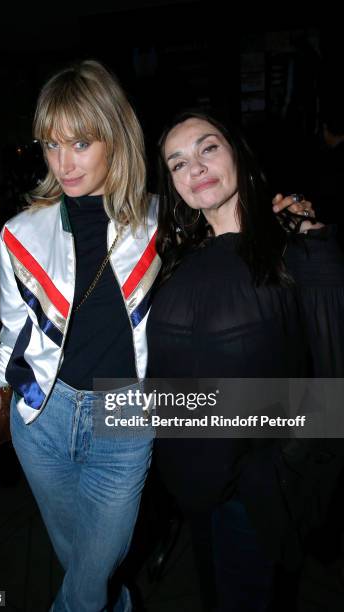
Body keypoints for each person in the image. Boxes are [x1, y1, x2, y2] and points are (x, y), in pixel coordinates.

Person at [0, 61, 315, 612]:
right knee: (87, 571)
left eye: (79, 142)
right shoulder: (19, 234)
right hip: (40, 419)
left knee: (87, 580)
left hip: (124, 418)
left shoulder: (159, 219)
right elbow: (12, 341)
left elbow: (223, 215)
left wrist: (279, 213)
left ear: (113, 136)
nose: (63, 162)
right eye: (50, 144)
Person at [146, 110, 344, 611]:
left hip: (254, 491)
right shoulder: (173, 257)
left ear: (237, 152)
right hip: (187, 483)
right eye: (177, 163)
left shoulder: (297, 242)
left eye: (208, 148)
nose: (195, 167)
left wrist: (277, 472)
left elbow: (333, 380)